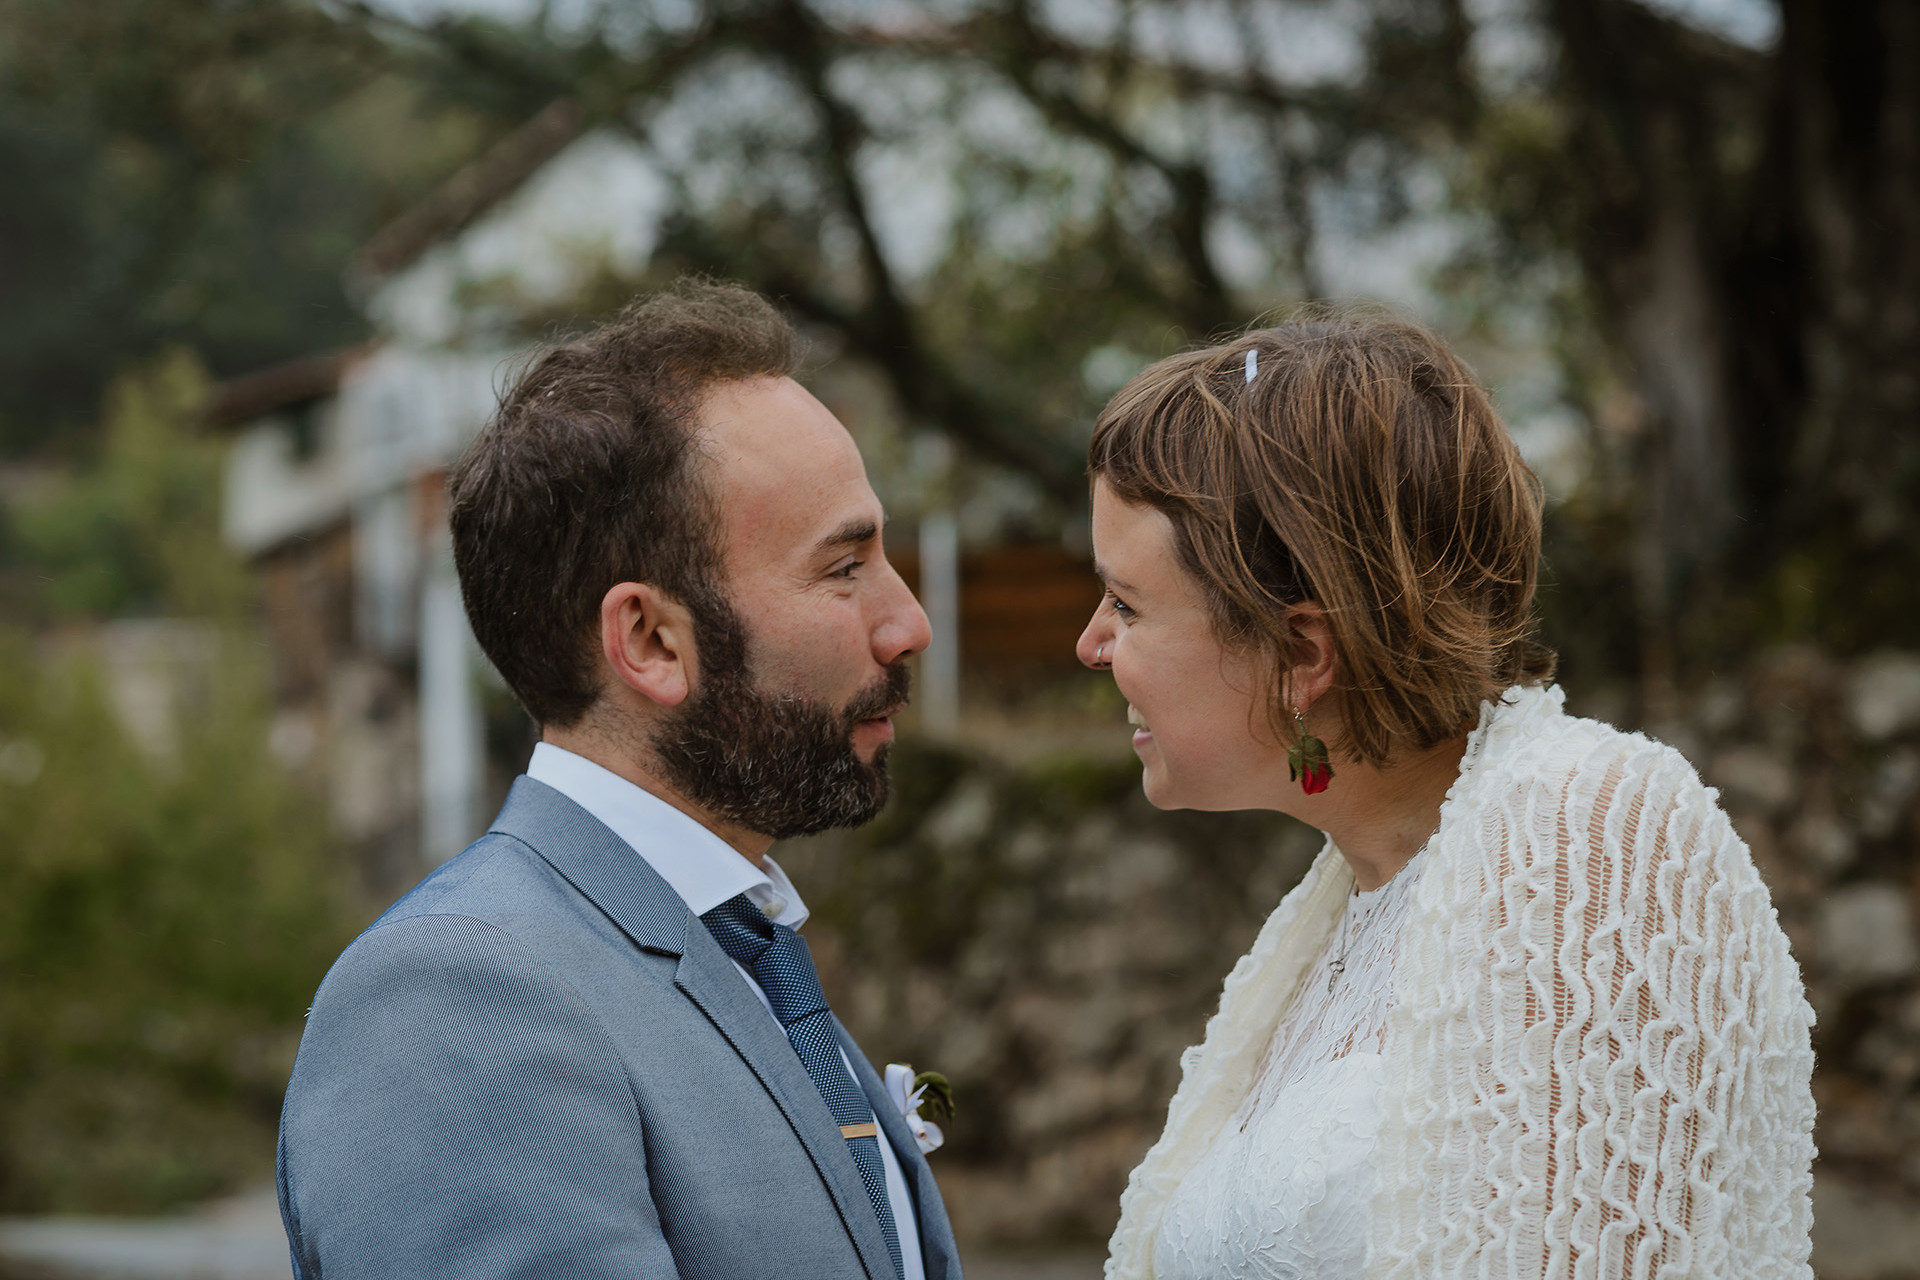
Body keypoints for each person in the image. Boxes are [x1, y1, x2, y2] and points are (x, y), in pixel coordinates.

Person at [1075, 315, 1816, 1280]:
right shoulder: (1350, 906)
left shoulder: (1598, 837)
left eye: (1126, 604)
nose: (1091, 644)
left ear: (1303, 653)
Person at [276, 280, 963, 1280]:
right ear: (648, 639)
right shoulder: (459, 995)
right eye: (844, 568)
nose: (908, 622)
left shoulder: (742, 947)